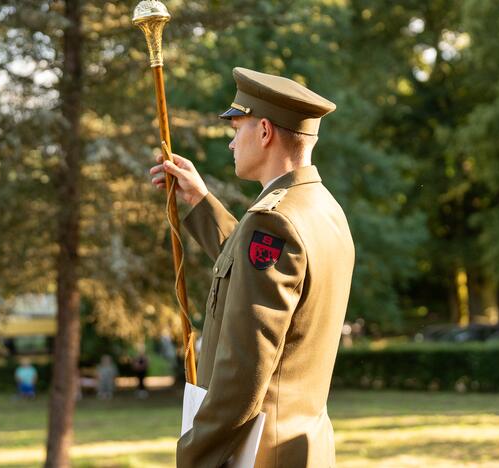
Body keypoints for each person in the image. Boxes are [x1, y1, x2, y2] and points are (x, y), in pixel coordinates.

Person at [150, 67, 355, 468]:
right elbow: (254, 272)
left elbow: (245, 368)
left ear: (264, 132)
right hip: (300, 447)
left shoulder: (272, 221)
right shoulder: (322, 209)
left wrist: (194, 453)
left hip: (260, 455)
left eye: (237, 127)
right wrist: (201, 200)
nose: (230, 142)